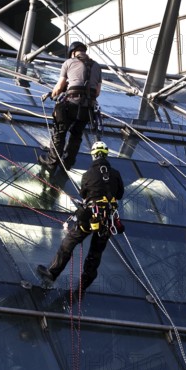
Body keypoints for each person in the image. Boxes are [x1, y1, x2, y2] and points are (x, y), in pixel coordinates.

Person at [37, 141, 124, 297]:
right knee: (95, 253)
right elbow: (120, 195)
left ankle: (52, 273)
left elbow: (84, 194)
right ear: (105, 154)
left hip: (89, 216)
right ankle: (83, 285)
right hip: (107, 219)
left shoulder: (88, 174)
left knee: (69, 242)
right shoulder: (116, 174)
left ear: (93, 155)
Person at [38, 41, 102, 171]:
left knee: (60, 132)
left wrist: (53, 95)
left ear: (73, 53)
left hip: (70, 104)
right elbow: (98, 92)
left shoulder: (68, 62)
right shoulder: (97, 66)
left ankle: (52, 161)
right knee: (76, 135)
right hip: (87, 108)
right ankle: (67, 162)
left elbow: (60, 86)